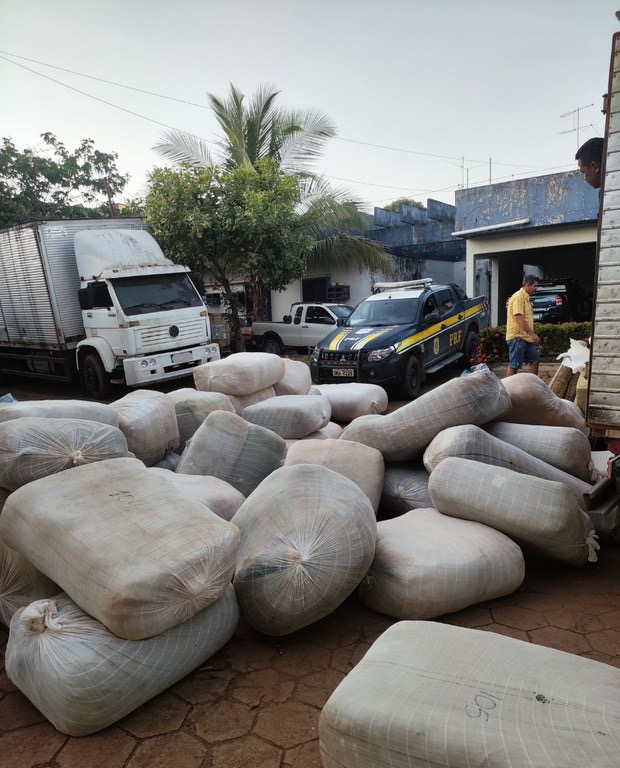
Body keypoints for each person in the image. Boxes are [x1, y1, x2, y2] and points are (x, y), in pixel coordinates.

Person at [505, 274, 540, 376]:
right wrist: (532, 334)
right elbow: (519, 318)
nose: (536, 289)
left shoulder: (526, 298)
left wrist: (530, 335)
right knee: (514, 365)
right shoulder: (518, 297)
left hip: (526, 338)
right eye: (535, 286)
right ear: (528, 285)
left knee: (535, 360)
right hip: (517, 337)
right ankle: (507, 390)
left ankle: (531, 386)